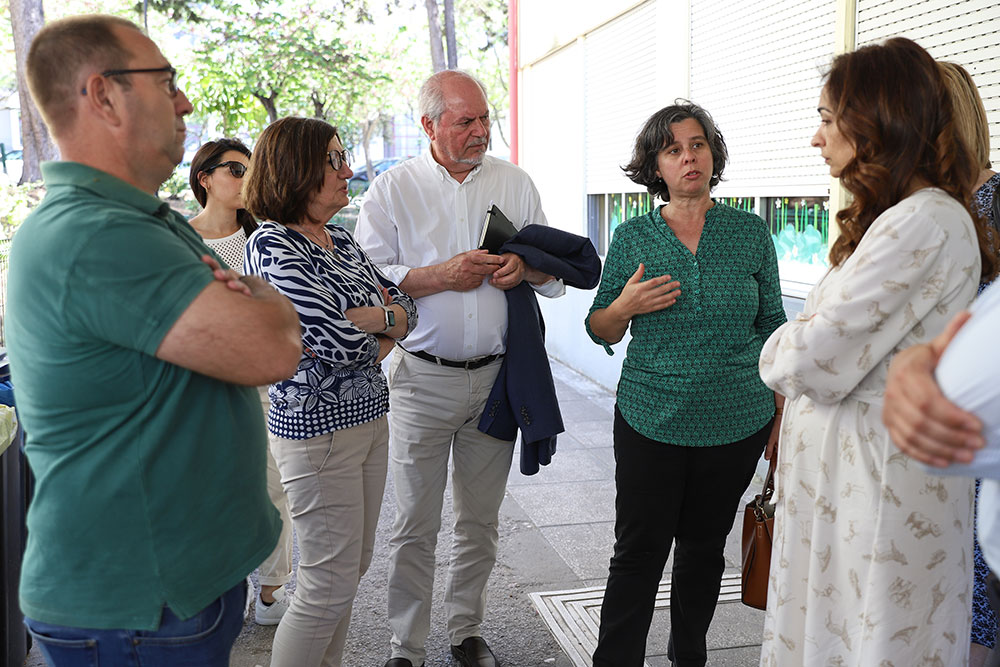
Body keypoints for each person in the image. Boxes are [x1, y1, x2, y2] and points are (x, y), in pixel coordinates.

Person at [9, 14, 301, 666]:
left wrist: (254, 298)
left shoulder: (134, 221)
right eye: (165, 82)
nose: (186, 101)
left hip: (168, 593)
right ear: (103, 96)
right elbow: (274, 350)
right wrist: (266, 296)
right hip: (140, 609)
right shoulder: (100, 235)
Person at [757, 37, 997, 666]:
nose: (817, 138)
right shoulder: (899, 218)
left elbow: (805, 357)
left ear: (874, 125)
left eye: (827, 119)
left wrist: (785, 341)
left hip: (879, 493)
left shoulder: (926, 221)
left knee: (872, 640)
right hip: (852, 488)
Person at [354, 69, 563, 667]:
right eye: (465, 120)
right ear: (429, 125)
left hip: (496, 380)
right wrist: (439, 275)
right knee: (414, 523)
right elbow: (368, 279)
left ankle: (465, 631)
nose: (480, 131)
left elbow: (551, 275)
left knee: (480, 520)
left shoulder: (515, 183)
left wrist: (526, 272)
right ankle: (405, 646)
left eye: (483, 118)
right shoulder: (391, 191)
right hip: (421, 378)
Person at [584, 101, 786, 667]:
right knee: (638, 553)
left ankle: (688, 655)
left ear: (713, 154)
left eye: (697, 144)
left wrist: (781, 419)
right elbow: (599, 327)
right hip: (652, 418)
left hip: (738, 422)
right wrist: (623, 305)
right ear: (656, 166)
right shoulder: (632, 237)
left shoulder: (749, 233)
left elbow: (774, 330)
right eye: (672, 149)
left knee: (703, 551)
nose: (688, 157)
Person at [242, 116, 417, 667]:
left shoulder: (340, 237)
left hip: (368, 418)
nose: (348, 171)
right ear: (297, 170)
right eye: (335, 160)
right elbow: (337, 340)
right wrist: (380, 325)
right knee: (325, 583)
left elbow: (406, 308)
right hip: (317, 433)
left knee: (348, 571)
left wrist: (379, 317)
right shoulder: (272, 245)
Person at [188, 138, 294, 625]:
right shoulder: (180, 241)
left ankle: (270, 593)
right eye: (234, 169)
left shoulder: (266, 238)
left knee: (275, 486)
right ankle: (217, 590)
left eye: (250, 170)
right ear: (204, 177)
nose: (245, 179)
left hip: (266, 384)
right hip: (204, 387)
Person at [941, 60, 1000, 667]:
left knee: (980, 578)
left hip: (982, 420)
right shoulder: (938, 208)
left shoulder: (992, 202)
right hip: (949, 424)